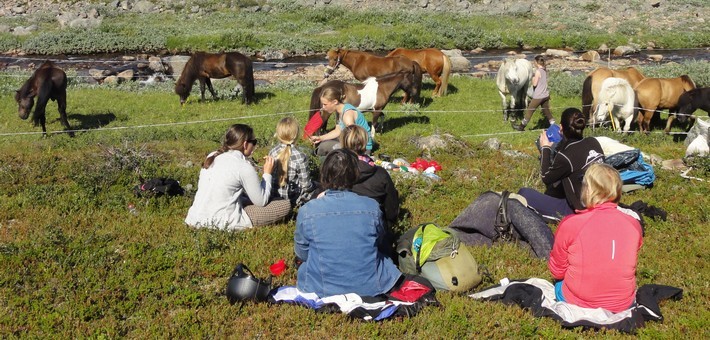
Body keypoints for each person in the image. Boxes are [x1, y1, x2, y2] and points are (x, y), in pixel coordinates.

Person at [294, 149, 401, 297]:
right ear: (354, 175)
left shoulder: (307, 211)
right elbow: (380, 243)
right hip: (371, 286)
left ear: (324, 174)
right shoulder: (371, 207)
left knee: (306, 265)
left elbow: (302, 253)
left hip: (321, 287)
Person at [548, 163, 643, 313]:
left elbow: (557, 271)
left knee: (560, 284)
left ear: (588, 190)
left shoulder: (571, 224)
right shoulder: (634, 224)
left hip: (579, 303)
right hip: (624, 303)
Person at [185, 124, 291, 230]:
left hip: (194, 218)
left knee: (244, 196)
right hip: (222, 221)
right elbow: (261, 201)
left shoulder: (212, 156)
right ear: (245, 144)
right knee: (284, 205)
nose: (255, 146)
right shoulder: (243, 166)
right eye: (254, 142)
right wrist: (267, 173)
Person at [517, 107, 604, 219]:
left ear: (561, 128)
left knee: (524, 193)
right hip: (603, 201)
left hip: (581, 209)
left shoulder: (566, 156)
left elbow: (546, 177)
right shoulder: (593, 142)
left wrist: (545, 148)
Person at [340, 125, 400, 230]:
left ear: (342, 143)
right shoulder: (380, 174)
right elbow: (392, 211)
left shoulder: (335, 171)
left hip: (339, 226)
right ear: (364, 142)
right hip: (372, 228)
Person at [308, 86, 373, 156]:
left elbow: (353, 139)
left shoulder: (347, 116)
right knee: (324, 143)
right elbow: (338, 131)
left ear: (335, 102)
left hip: (361, 148)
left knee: (323, 147)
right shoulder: (340, 110)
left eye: (325, 104)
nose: (323, 107)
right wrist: (320, 138)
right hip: (352, 142)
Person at [268, 117, 315, 207]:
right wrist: (314, 185)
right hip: (293, 201)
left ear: (278, 134)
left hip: (273, 199)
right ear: (297, 135)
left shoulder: (272, 152)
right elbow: (306, 186)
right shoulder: (300, 156)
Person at [512, 55, 555, 131]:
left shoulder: (538, 71)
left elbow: (535, 84)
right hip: (546, 95)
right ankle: (554, 126)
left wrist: (532, 78)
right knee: (547, 111)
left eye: (534, 61)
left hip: (538, 96)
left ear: (536, 62)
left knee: (529, 111)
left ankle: (521, 127)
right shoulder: (544, 70)